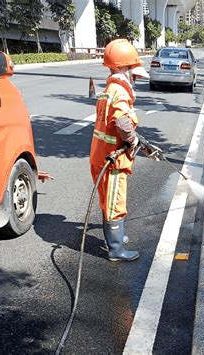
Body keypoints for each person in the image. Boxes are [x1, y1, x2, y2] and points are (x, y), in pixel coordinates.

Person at [89, 39, 149, 262]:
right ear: (124, 68)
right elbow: (122, 122)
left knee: (107, 200)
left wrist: (134, 139)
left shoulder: (107, 90)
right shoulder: (120, 92)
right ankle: (115, 250)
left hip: (100, 156)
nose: (134, 77)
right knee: (115, 201)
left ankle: (115, 238)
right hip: (112, 161)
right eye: (133, 71)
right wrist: (133, 141)